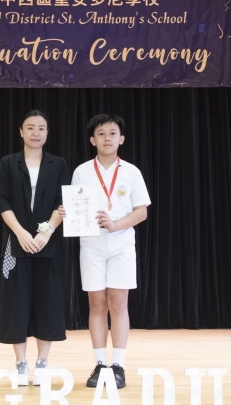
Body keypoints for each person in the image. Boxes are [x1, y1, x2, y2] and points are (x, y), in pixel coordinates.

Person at [60, 114, 150, 389]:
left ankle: (118, 365)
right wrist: (68, 213)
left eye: (112, 133)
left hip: (122, 244)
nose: (107, 138)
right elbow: (76, 208)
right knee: (97, 304)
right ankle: (100, 364)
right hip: (92, 244)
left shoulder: (131, 171)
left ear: (121, 139)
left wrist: (115, 225)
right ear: (92, 140)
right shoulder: (82, 171)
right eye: (101, 134)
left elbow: (142, 212)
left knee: (119, 303)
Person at [0, 110, 69, 386]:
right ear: (21, 131)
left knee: (47, 301)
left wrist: (46, 232)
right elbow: (2, 202)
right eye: (30, 127)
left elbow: (62, 202)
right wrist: (22, 233)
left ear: (47, 133)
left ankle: (42, 362)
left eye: (41, 128)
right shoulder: (7, 163)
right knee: (16, 303)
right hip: (16, 243)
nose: (36, 132)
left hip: (48, 244)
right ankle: (20, 363)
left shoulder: (58, 163)